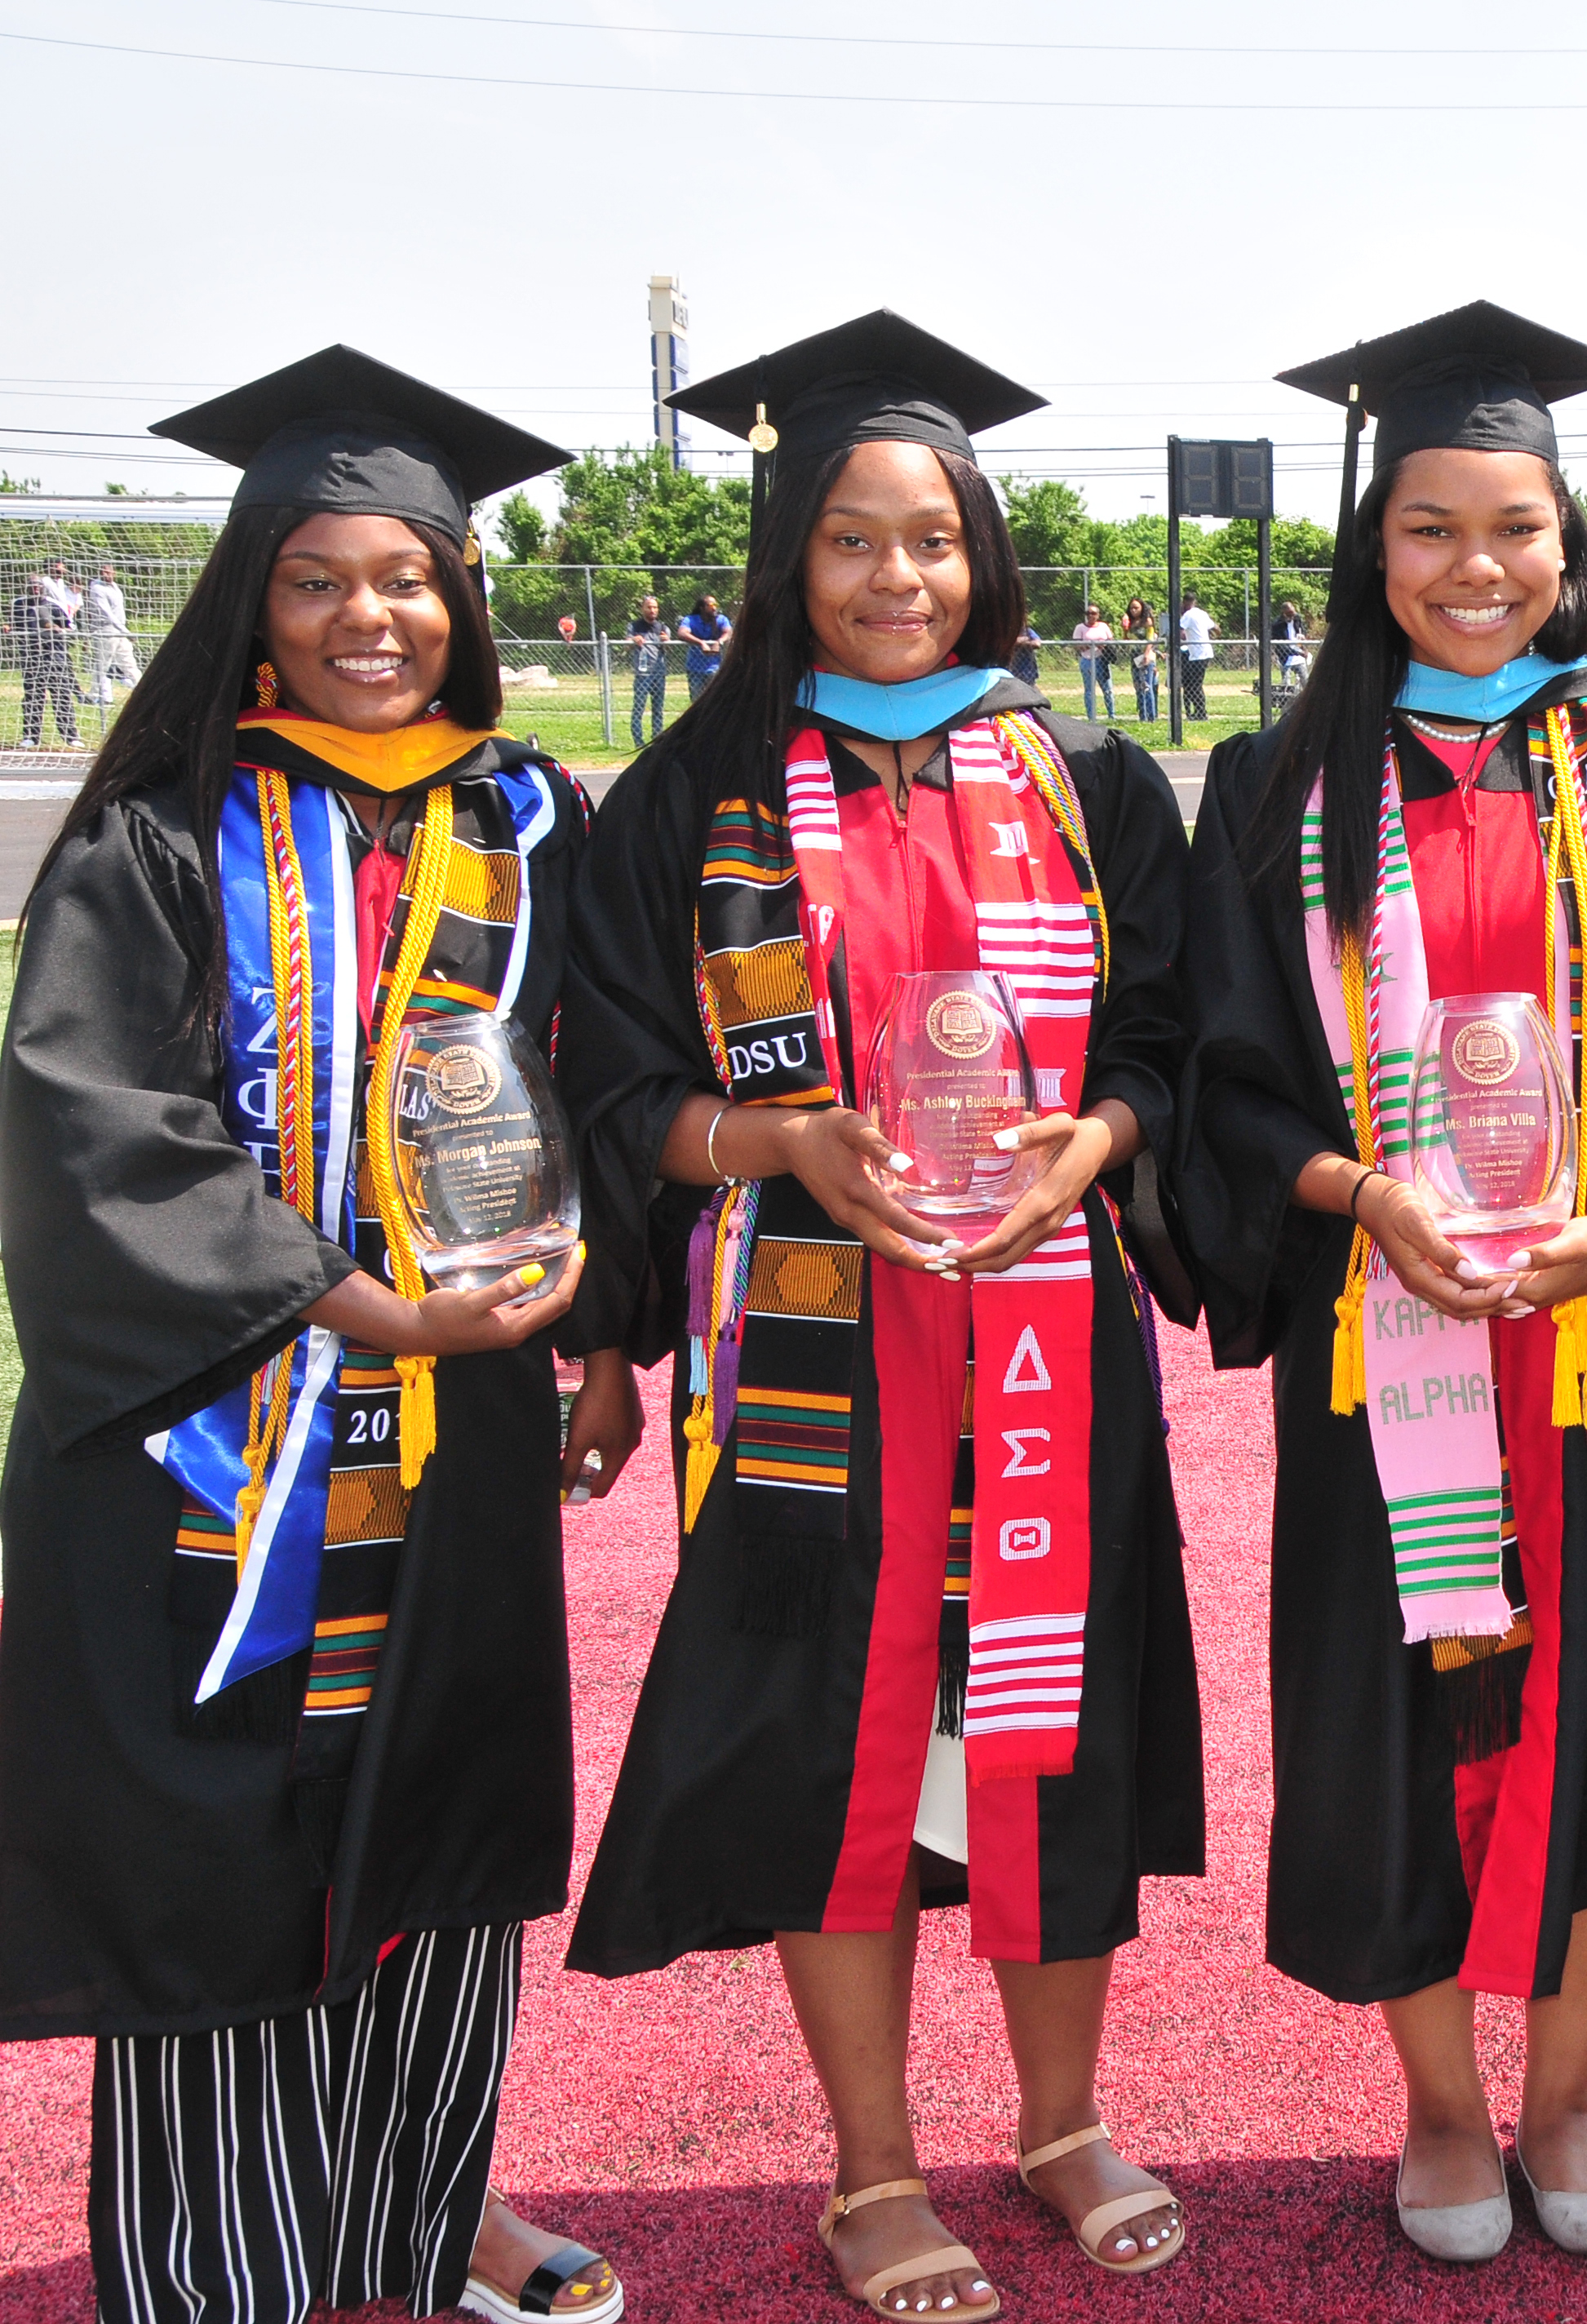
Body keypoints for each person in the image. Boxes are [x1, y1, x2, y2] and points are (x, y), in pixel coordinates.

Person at [562, 312, 1206, 2320]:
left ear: (985, 553)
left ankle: (1063, 2112)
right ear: (788, 558)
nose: (898, 577)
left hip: (1045, 1337)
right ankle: (871, 2165)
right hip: (806, 1352)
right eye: (852, 539)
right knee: (830, 1736)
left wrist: (1096, 1139)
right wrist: (771, 1143)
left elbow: (1184, 1040)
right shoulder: (695, 790)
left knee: (1048, 1718)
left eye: (933, 538)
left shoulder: (1088, 769)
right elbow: (608, 1085)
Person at [0, 346, 641, 2324]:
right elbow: (104, 1120)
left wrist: (605, 1327)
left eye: (414, 577)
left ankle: (423, 2199)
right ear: (254, 600)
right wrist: (350, 1296)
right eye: (320, 578)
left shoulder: (541, 818)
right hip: (216, 1431)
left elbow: (601, 1078)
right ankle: (228, 2249)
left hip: (458, 1427)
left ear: (464, 599)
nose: (375, 617)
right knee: (225, 1824)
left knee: (436, 1802)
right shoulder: (166, 832)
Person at [1181, 302, 1587, 2264]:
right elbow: (1219, 1071)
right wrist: (1357, 1195)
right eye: (1432, 524)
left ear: (1565, 538)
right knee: (1399, 1723)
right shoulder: (1279, 778)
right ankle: (1442, 2100)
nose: (1476, 565)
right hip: (1389, 1341)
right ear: (1375, 546)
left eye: (1513, 524)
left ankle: (1564, 2087)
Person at [14, 564, 79, 747]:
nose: (35, 588)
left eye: (38, 585)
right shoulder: (18, 605)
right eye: (32, 585)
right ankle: (31, 736)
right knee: (33, 697)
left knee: (62, 695)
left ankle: (71, 736)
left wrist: (60, 630)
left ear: (43, 587)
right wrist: (8, 628)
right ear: (26, 587)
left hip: (55, 657)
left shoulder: (54, 605)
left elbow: (70, 627)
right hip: (31, 658)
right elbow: (13, 624)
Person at [80, 562, 134, 718]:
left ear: (113, 573)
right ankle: (94, 695)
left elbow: (119, 611)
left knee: (129, 663)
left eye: (109, 572)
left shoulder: (115, 587)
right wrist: (125, 630)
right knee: (103, 664)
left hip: (120, 630)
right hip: (106, 630)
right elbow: (107, 613)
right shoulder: (97, 588)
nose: (106, 574)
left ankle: (142, 688)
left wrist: (124, 629)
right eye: (103, 572)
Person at [626, 592, 671, 746]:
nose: (652, 610)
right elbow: (626, 645)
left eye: (655, 607)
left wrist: (667, 641)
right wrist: (633, 640)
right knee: (639, 708)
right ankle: (638, 742)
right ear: (643, 609)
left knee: (658, 709)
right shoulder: (634, 626)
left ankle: (657, 740)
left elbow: (668, 647)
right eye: (649, 607)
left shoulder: (662, 627)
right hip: (642, 674)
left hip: (659, 673)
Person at [680, 589, 730, 699]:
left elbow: (728, 632)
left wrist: (719, 642)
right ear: (702, 608)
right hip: (695, 669)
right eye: (711, 605)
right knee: (696, 701)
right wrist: (701, 643)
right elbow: (682, 633)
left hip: (715, 668)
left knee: (715, 700)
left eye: (715, 604)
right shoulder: (691, 619)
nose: (714, 607)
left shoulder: (721, 619)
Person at [1073, 600, 1118, 721]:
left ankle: (1112, 715)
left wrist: (1103, 645)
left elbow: (1111, 641)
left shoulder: (1103, 626)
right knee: (1089, 691)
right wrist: (1091, 645)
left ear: (1098, 615)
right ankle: (1091, 716)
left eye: (1093, 613)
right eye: (1088, 613)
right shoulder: (1080, 628)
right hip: (1087, 660)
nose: (1091, 616)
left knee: (1107, 689)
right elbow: (1077, 645)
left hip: (1102, 661)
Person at [1175, 589, 1213, 718]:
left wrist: (1181, 638)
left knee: (1194, 685)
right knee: (1194, 684)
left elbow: (1179, 630)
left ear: (1185, 602)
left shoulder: (1188, 615)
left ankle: (1201, 713)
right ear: (1195, 601)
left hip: (1197, 654)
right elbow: (1215, 627)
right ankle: (1199, 711)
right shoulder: (1202, 613)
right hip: (1205, 652)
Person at [1124, 595, 1159, 721]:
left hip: (1145, 656)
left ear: (1142, 608)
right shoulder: (1131, 623)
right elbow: (1126, 638)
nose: (1133, 610)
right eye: (1131, 608)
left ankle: (1151, 716)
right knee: (1138, 686)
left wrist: (1146, 654)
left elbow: (1150, 639)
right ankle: (1142, 715)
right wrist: (1125, 626)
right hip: (1134, 657)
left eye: (1136, 608)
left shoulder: (1147, 621)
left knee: (1147, 686)